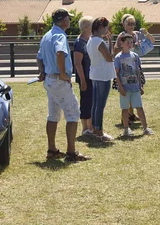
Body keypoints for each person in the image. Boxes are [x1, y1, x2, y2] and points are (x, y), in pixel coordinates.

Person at [36, 8, 91, 162]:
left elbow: (39, 57)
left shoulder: (47, 36)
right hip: (59, 81)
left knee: (53, 114)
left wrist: (42, 71)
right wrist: (63, 74)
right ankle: (71, 153)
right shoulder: (60, 35)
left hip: (49, 80)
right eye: (69, 19)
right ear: (64, 20)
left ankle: (52, 149)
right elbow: (60, 53)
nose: (70, 21)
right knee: (73, 114)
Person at [113, 14, 156, 123]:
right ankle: (127, 116)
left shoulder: (137, 34)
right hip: (123, 67)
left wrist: (146, 33)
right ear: (124, 25)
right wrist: (129, 46)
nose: (131, 26)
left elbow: (153, 41)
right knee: (125, 92)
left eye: (133, 24)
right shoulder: (121, 35)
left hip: (134, 65)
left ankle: (131, 114)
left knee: (134, 89)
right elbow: (115, 50)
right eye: (129, 24)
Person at [114, 34, 155, 137]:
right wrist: (120, 87)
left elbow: (138, 71)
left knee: (139, 107)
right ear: (122, 43)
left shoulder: (135, 56)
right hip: (125, 88)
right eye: (127, 42)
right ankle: (126, 129)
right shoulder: (118, 57)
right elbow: (116, 74)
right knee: (125, 108)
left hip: (135, 87)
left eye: (131, 42)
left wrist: (141, 85)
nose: (129, 44)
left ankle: (145, 127)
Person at [87, 17, 116, 142]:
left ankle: (95, 128)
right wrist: (115, 50)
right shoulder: (98, 41)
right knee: (100, 104)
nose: (107, 30)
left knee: (96, 103)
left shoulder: (91, 40)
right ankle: (99, 131)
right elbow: (109, 58)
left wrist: (109, 42)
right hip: (102, 75)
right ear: (100, 27)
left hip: (96, 74)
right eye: (106, 27)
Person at [73, 16, 94, 137]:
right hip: (84, 76)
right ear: (86, 27)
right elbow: (77, 63)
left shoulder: (90, 39)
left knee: (91, 101)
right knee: (86, 101)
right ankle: (85, 128)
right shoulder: (79, 42)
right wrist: (82, 80)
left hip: (92, 76)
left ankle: (91, 127)